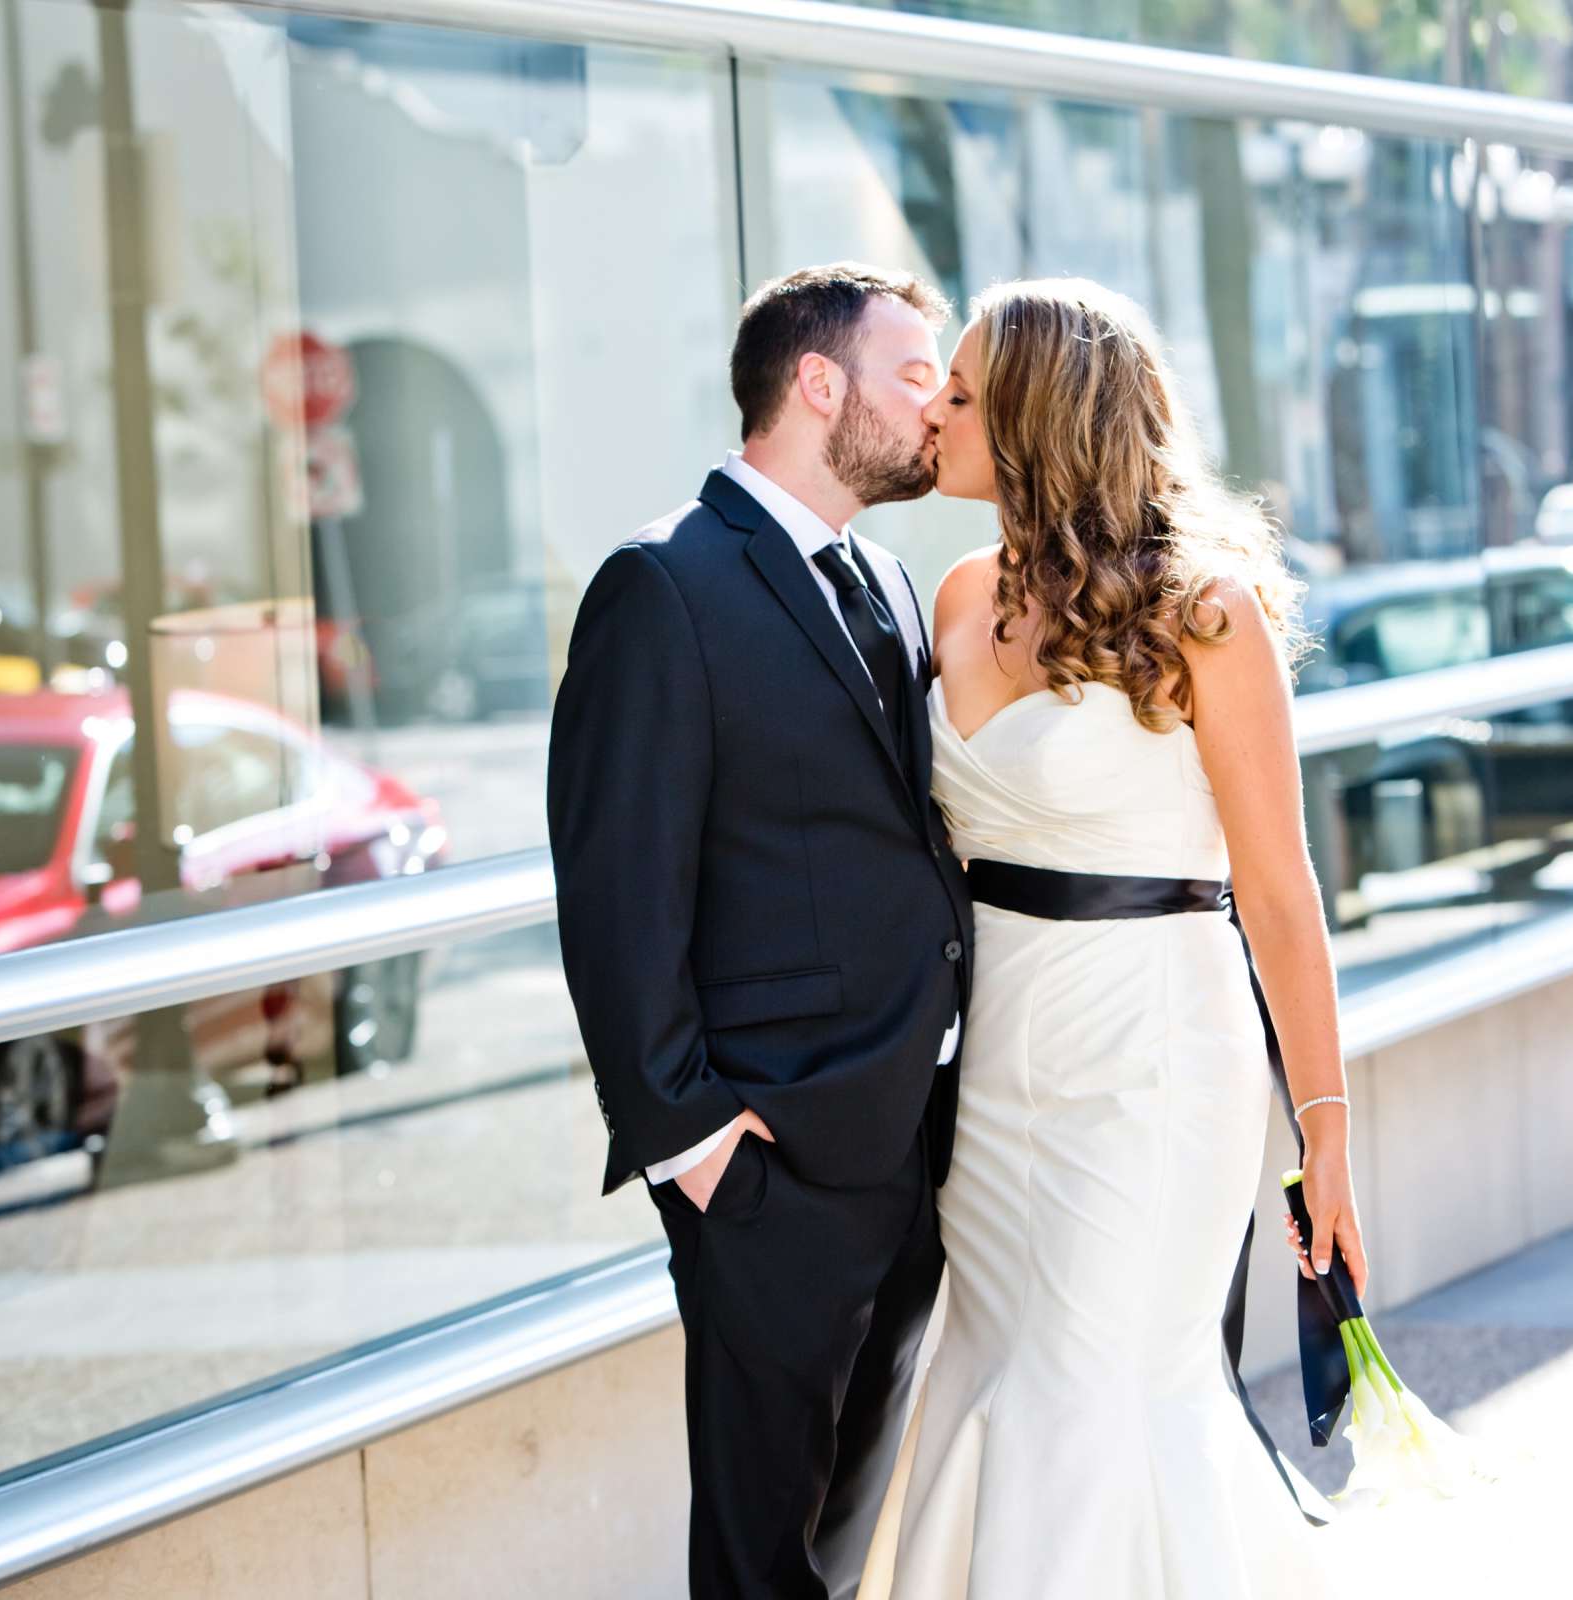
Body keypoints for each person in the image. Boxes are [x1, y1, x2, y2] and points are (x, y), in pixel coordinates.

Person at [864, 278, 1367, 1598]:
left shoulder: (1205, 612)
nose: (936, 410)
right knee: (997, 1366)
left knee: (1090, 1393)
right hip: (998, 1069)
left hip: (1150, 1061)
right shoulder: (963, 592)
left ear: (1036, 417)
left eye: (964, 394)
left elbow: (1279, 888)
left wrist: (1326, 1126)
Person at [546, 263, 974, 1600]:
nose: (940, 401)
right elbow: (616, 891)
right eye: (916, 375)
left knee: (839, 1537)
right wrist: (697, 1145)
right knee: (756, 1558)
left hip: (908, 1139)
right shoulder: (663, 586)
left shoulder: (894, 585)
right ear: (816, 383)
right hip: (769, 1167)